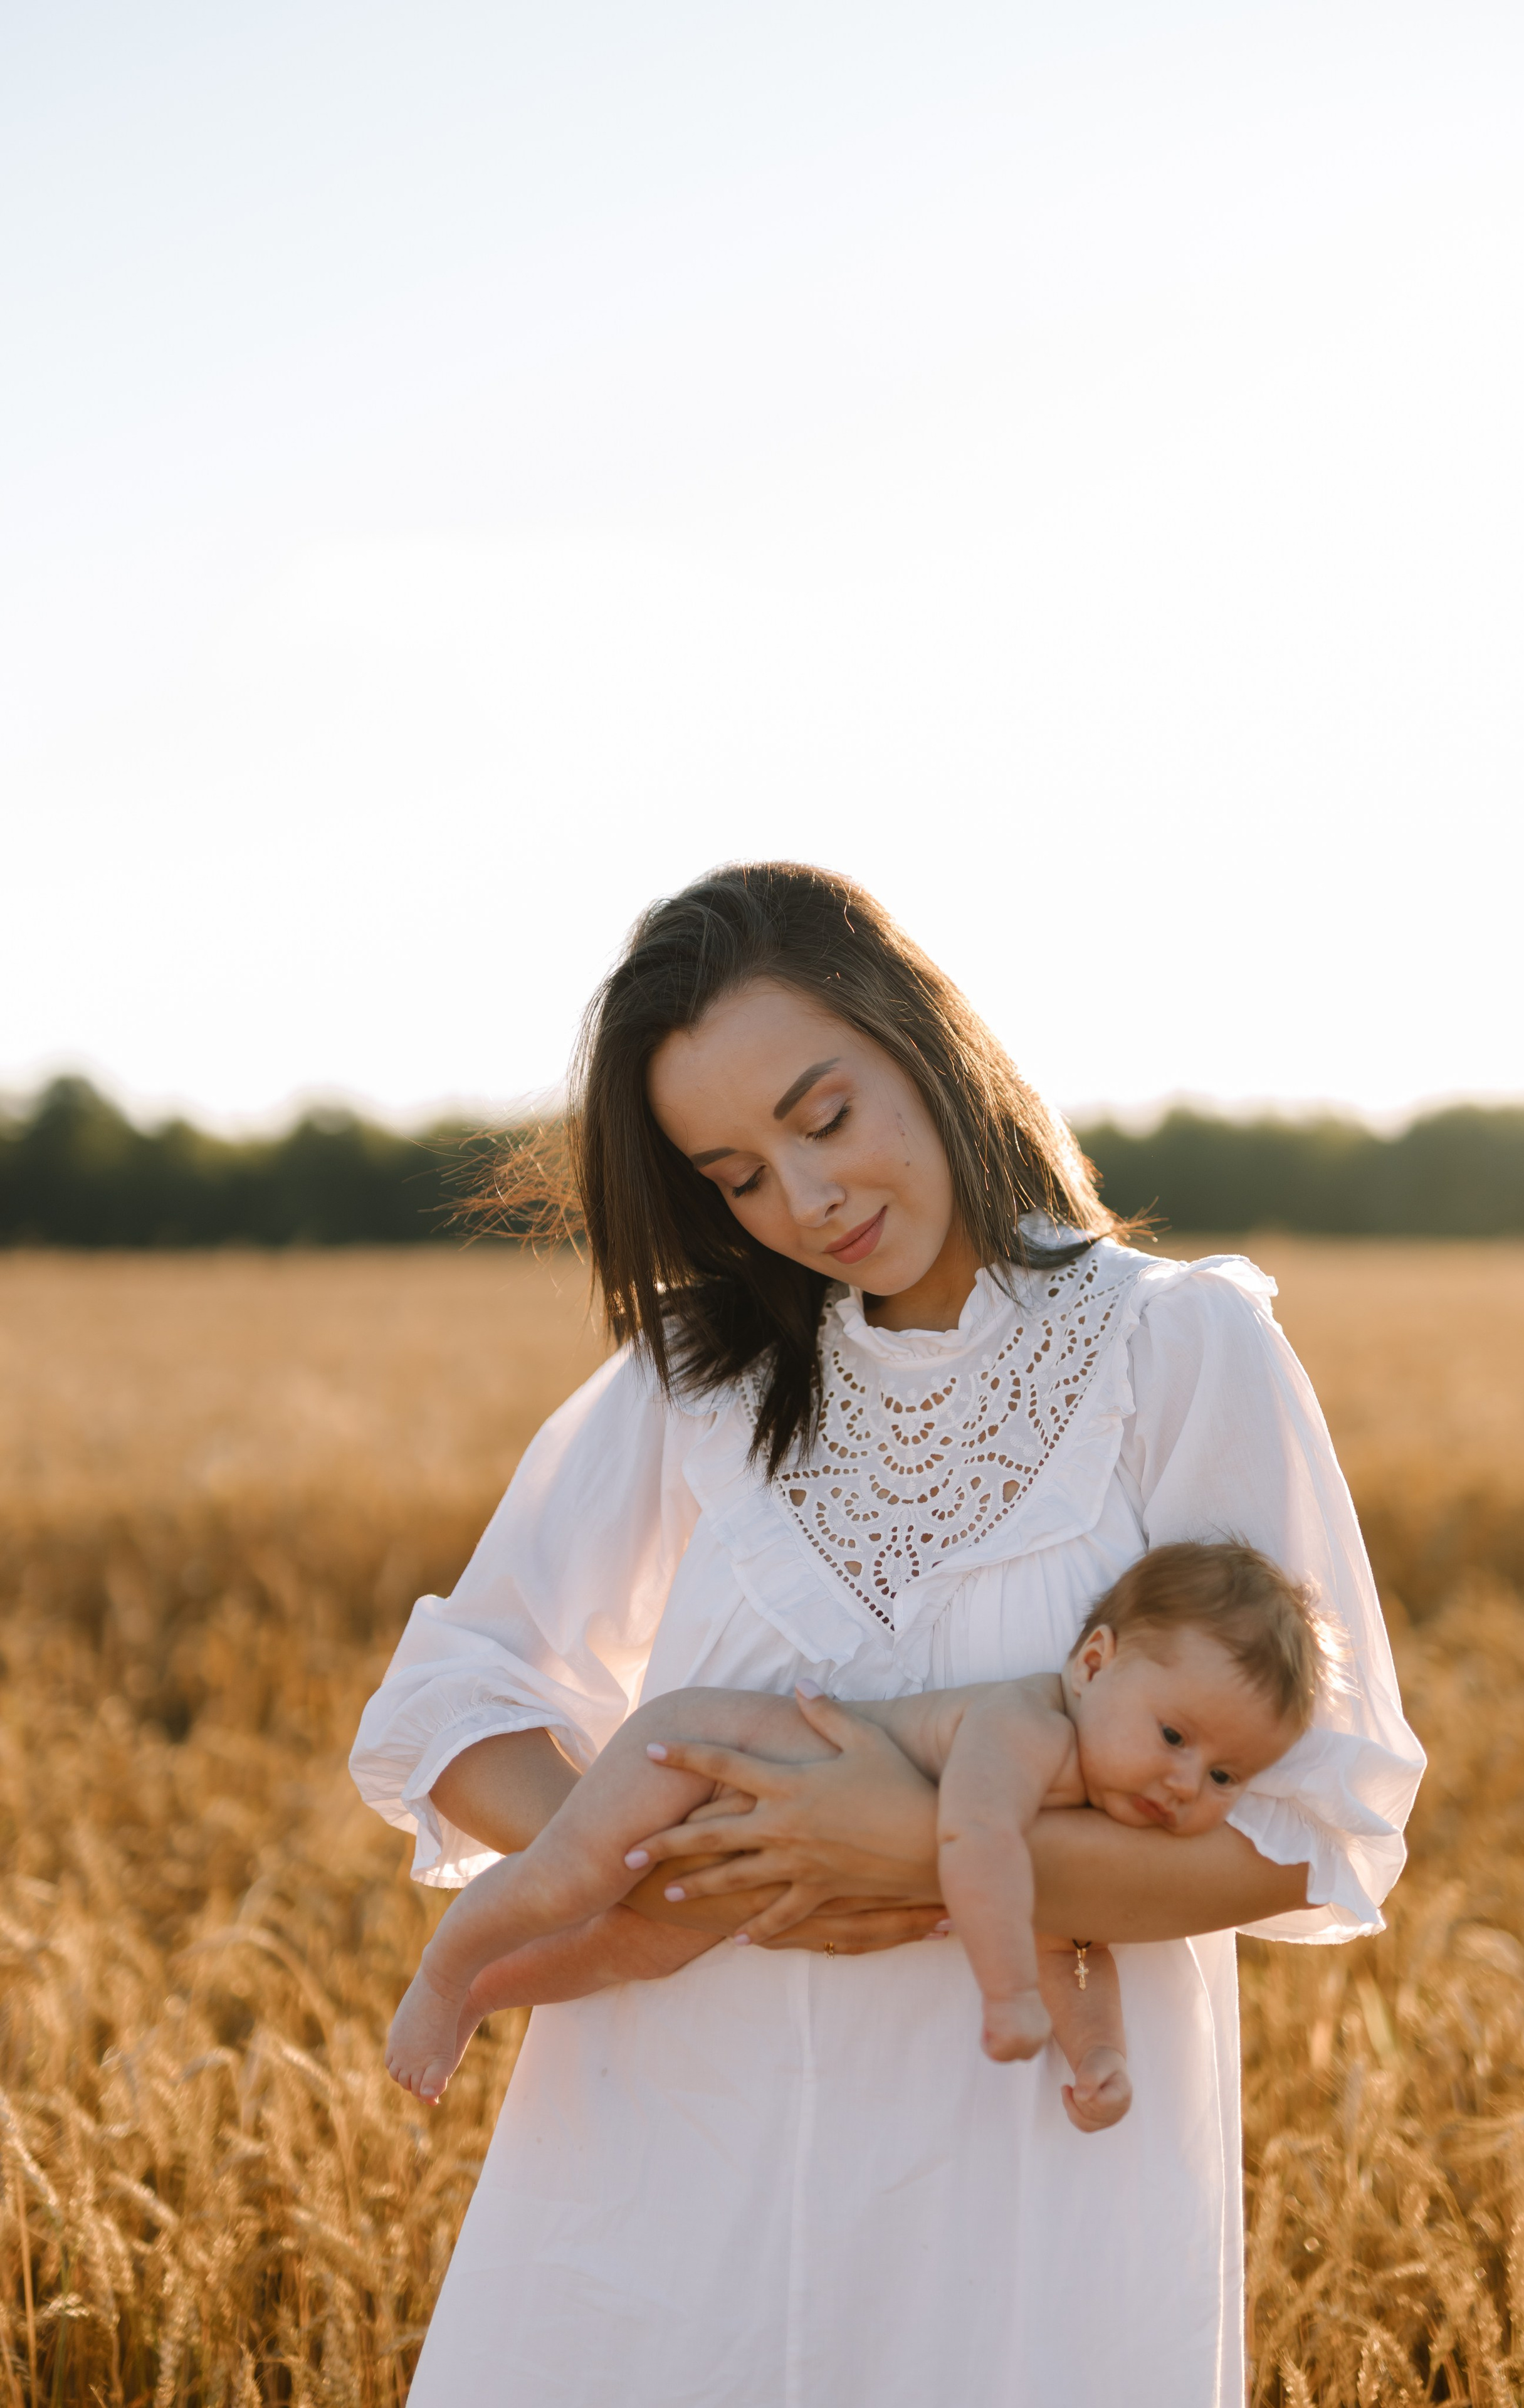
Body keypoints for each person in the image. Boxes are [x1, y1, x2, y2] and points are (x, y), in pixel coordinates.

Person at [350, 861, 1425, 2408]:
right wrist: (699, 1849)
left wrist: (913, 1848)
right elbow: (458, 1693)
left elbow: (1319, 1829)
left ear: (919, 1038)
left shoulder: (1175, 1348)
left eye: (822, 1114)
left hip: (1022, 2182)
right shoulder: (692, 1376)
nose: (804, 1201)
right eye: (733, 1175)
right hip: (664, 2157)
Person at [383, 1540, 1332, 2137]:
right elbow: (970, 1844)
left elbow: (1075, 1942)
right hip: (710, 1750)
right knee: (572, 1877)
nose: (1184, 1782)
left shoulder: (1093, 1802)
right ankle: (442, 1969)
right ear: (1093, 1663)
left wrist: (1098, 2055)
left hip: (755, 1817)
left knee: (642, 1943)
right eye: (1174, 1736)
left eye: (1224, 1777)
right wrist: (1007, 1994)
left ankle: (483, 1996)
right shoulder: (1027, 1728)